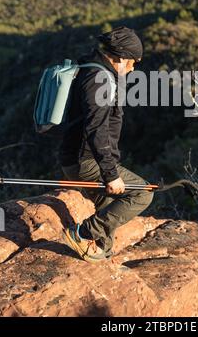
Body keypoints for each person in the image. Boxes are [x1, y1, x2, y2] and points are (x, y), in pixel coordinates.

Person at [60, 26, 154, 263]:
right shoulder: (98, 79)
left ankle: (102, 253)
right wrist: (110, 174)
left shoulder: (90, 67)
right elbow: (96, 128)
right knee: (142, 194)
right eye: (132, 63)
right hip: (85, 161)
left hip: (76, 158)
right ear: (120, 57)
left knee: (109, 203)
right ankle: (81, 234)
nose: (133, 68)